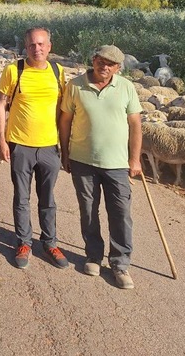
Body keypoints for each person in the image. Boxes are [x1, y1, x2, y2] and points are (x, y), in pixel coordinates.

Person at [58, 45, 143, 290]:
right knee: (88, 210)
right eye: (101, 61)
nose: (104, 67)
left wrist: (135, 159)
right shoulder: (75, 86)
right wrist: (65, 152)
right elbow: (65, 121)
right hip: (83, 160)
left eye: (111, 64)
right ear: (93, 60)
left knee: (120, 213)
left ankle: (120, 263)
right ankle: (93, 255)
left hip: (117, 163)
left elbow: (135, 124)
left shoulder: (126, 87)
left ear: (118, 68)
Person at [0, 27, 69, 270]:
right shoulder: (14, 70)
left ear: (49, 46)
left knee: (48, 198)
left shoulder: (58, 72)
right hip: (20, 145)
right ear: (25, 48)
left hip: (49, 146)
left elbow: (63, 110)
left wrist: (65, 146)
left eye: (41, 44)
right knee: (22, 198)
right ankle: (24, 242)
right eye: (31, 45)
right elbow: (0, 104)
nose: (36, 49)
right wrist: (2, 140)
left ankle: (50, 243)